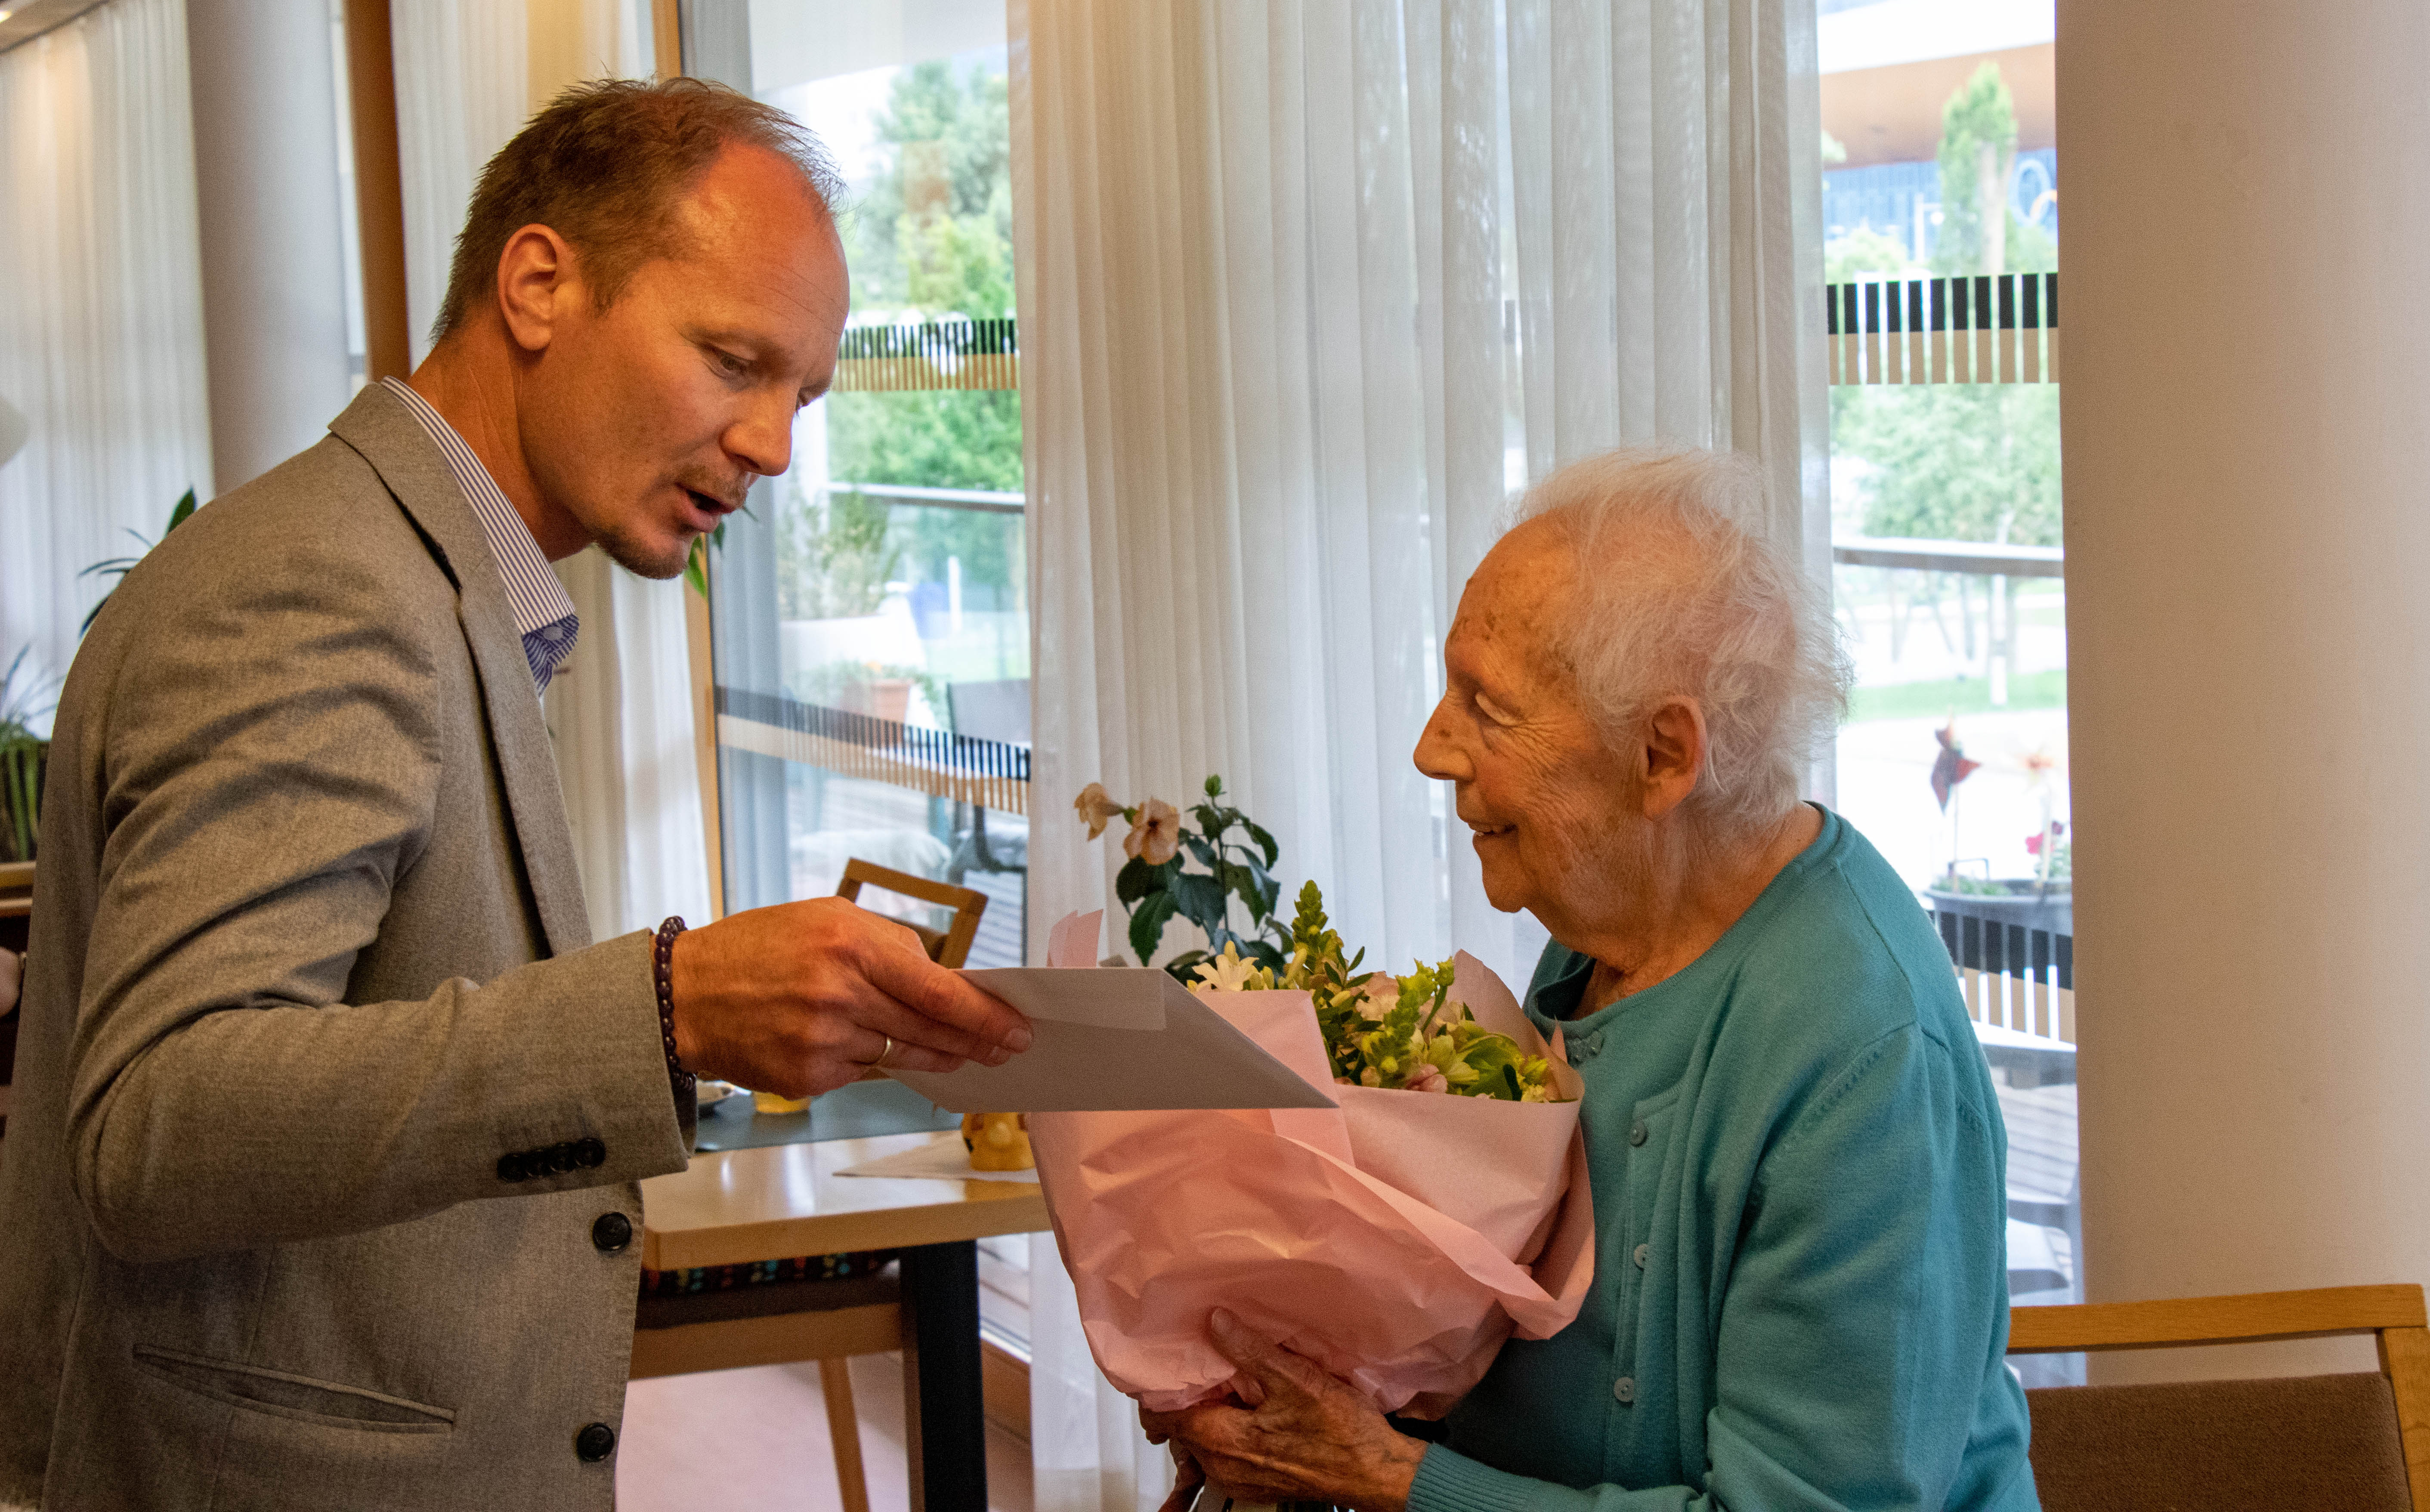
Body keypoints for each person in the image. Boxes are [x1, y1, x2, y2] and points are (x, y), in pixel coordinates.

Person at [0, 79, 1033, 1512]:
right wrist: (666, 1011)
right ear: (539, 285)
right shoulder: (321, 588)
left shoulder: (426, 579)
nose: (773, 446)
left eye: (798, 396)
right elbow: (159, 1123)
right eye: (732, 361)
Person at [1143, 448, 2039, 1510]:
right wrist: (1307, 1387)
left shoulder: (1865, 1055)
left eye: (1488, 705)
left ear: (1663, 756)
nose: (1432, 748)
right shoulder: (1610, 923)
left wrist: (1381, 1472)